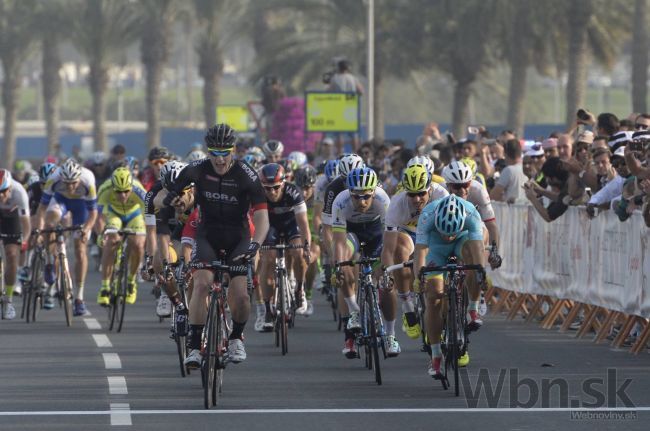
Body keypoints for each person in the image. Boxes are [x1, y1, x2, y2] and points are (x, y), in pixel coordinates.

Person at [164, 124, 269, 366]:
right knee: (200, 285)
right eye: (215, 153)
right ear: (207, 151)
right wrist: (167, 202)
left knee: (241, 295)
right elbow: (167, 193)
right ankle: (194, 346)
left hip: (239, 238)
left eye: (225, 153)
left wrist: (256, 244)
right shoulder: (196, 170)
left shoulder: (246, 174)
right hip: (207, 234)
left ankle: (235, 337)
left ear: (233, 150)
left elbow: (262, 215)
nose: (220, 160)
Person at [414, 194, 486, 377]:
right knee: (433, 296)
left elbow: (478, 250)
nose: (448, 237)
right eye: (445, 232)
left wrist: (481, 274)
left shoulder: (471, 213)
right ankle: (436, 355)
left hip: (462, 241)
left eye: (451, 232)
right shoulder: (427, 215)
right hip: (435, 247)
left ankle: (472, 308)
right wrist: (418, 278)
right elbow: (420, 252)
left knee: (475, 263)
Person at [381, 164, 448, 348]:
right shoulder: (396, 204)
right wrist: (387, 274)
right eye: (411, 194)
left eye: (421, 193)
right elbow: (387, 249)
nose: (417, 199)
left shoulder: (442, 196)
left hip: (435, 232)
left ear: (430, 189)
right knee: (399, 250)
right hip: (409, 232)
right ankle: (407, 305)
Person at [329, 167, 390, 358]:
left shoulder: (383, 199)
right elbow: (339, 242)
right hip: (352, 232)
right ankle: (354, 310)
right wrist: (338, 266)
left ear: (373, 192)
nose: (362, 201)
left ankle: (388, 332)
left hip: (376, 234)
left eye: (366, 196)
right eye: (356, 197)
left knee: (385, 272)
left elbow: (389, 240)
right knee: (343, 260)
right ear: (349, 193)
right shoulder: (340, 201)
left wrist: (384, 267)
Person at [36, 159, 98, 316]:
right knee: (50, 223)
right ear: (61, 179)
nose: (70, 187)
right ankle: (50, 263)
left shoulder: (88, 180)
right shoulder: (54, 179)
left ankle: (79, 298)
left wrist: (87, 229)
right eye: (67, 183)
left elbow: (93, 213)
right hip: (60, 201)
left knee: (80, 250)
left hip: (81, 207)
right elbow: (42, 209)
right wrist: (41, 230)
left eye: (74, 183)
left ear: (79, 179)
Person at [257, 163, 311, 331]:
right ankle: (267, 308)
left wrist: (307, 245)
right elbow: (255, 223)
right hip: (269, 225)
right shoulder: (258, 194)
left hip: (290, 224)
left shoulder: (294, 192)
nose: (271, 192)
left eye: (276, 188)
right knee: (268, 260)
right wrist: (255, 245)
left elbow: (303, 224)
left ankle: (299, 287)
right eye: (267, 188)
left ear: (283, 183)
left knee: (298, 252)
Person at [95, 168, 147, 307]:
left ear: (131, 187)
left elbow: (149, 214)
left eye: (126, 191)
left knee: (138, 245)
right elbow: (99, 218)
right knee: (111, 242)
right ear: (113, 187)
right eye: (118, 191)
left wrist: (147, 234)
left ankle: (131, 280)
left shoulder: (139, 190)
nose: (123, 195)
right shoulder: (105, 189)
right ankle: (105, 287)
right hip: (114, 214)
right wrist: (101, 234)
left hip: (134, 215)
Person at [0, 169, 31, 320]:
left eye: (4, 191)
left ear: (10, 188)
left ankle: (8, 301)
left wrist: (24, 241)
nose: (0, 195)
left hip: (12, 217)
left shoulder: (19, 192)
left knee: (12, 255)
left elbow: (26, 225)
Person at [327, 59, 364, 153]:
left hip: (338, 107)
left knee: (339, 133)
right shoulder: (352, 78)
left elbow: (328, 92)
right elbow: (361, 91)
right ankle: (355, 152)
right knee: (353, 133)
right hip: (351, 107)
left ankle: (340, 153)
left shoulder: (335, 78)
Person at [490, 139, 527, 203]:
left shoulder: (509, 170)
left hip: (512, 210)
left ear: (505, 154)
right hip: (526, 209)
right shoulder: (527, 168)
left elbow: (493, 195)